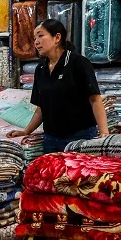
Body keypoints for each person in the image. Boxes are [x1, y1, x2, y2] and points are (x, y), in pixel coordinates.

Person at [7, 19, 110, 154]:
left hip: (80, 136)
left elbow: (95, 100)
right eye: (34, 38)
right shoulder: (41, 69)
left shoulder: (78, 63)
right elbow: (41, 108)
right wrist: (26, 131)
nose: (36, 42)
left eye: (40, 35)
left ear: (57, 37)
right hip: (51, 139)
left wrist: (104, 134)